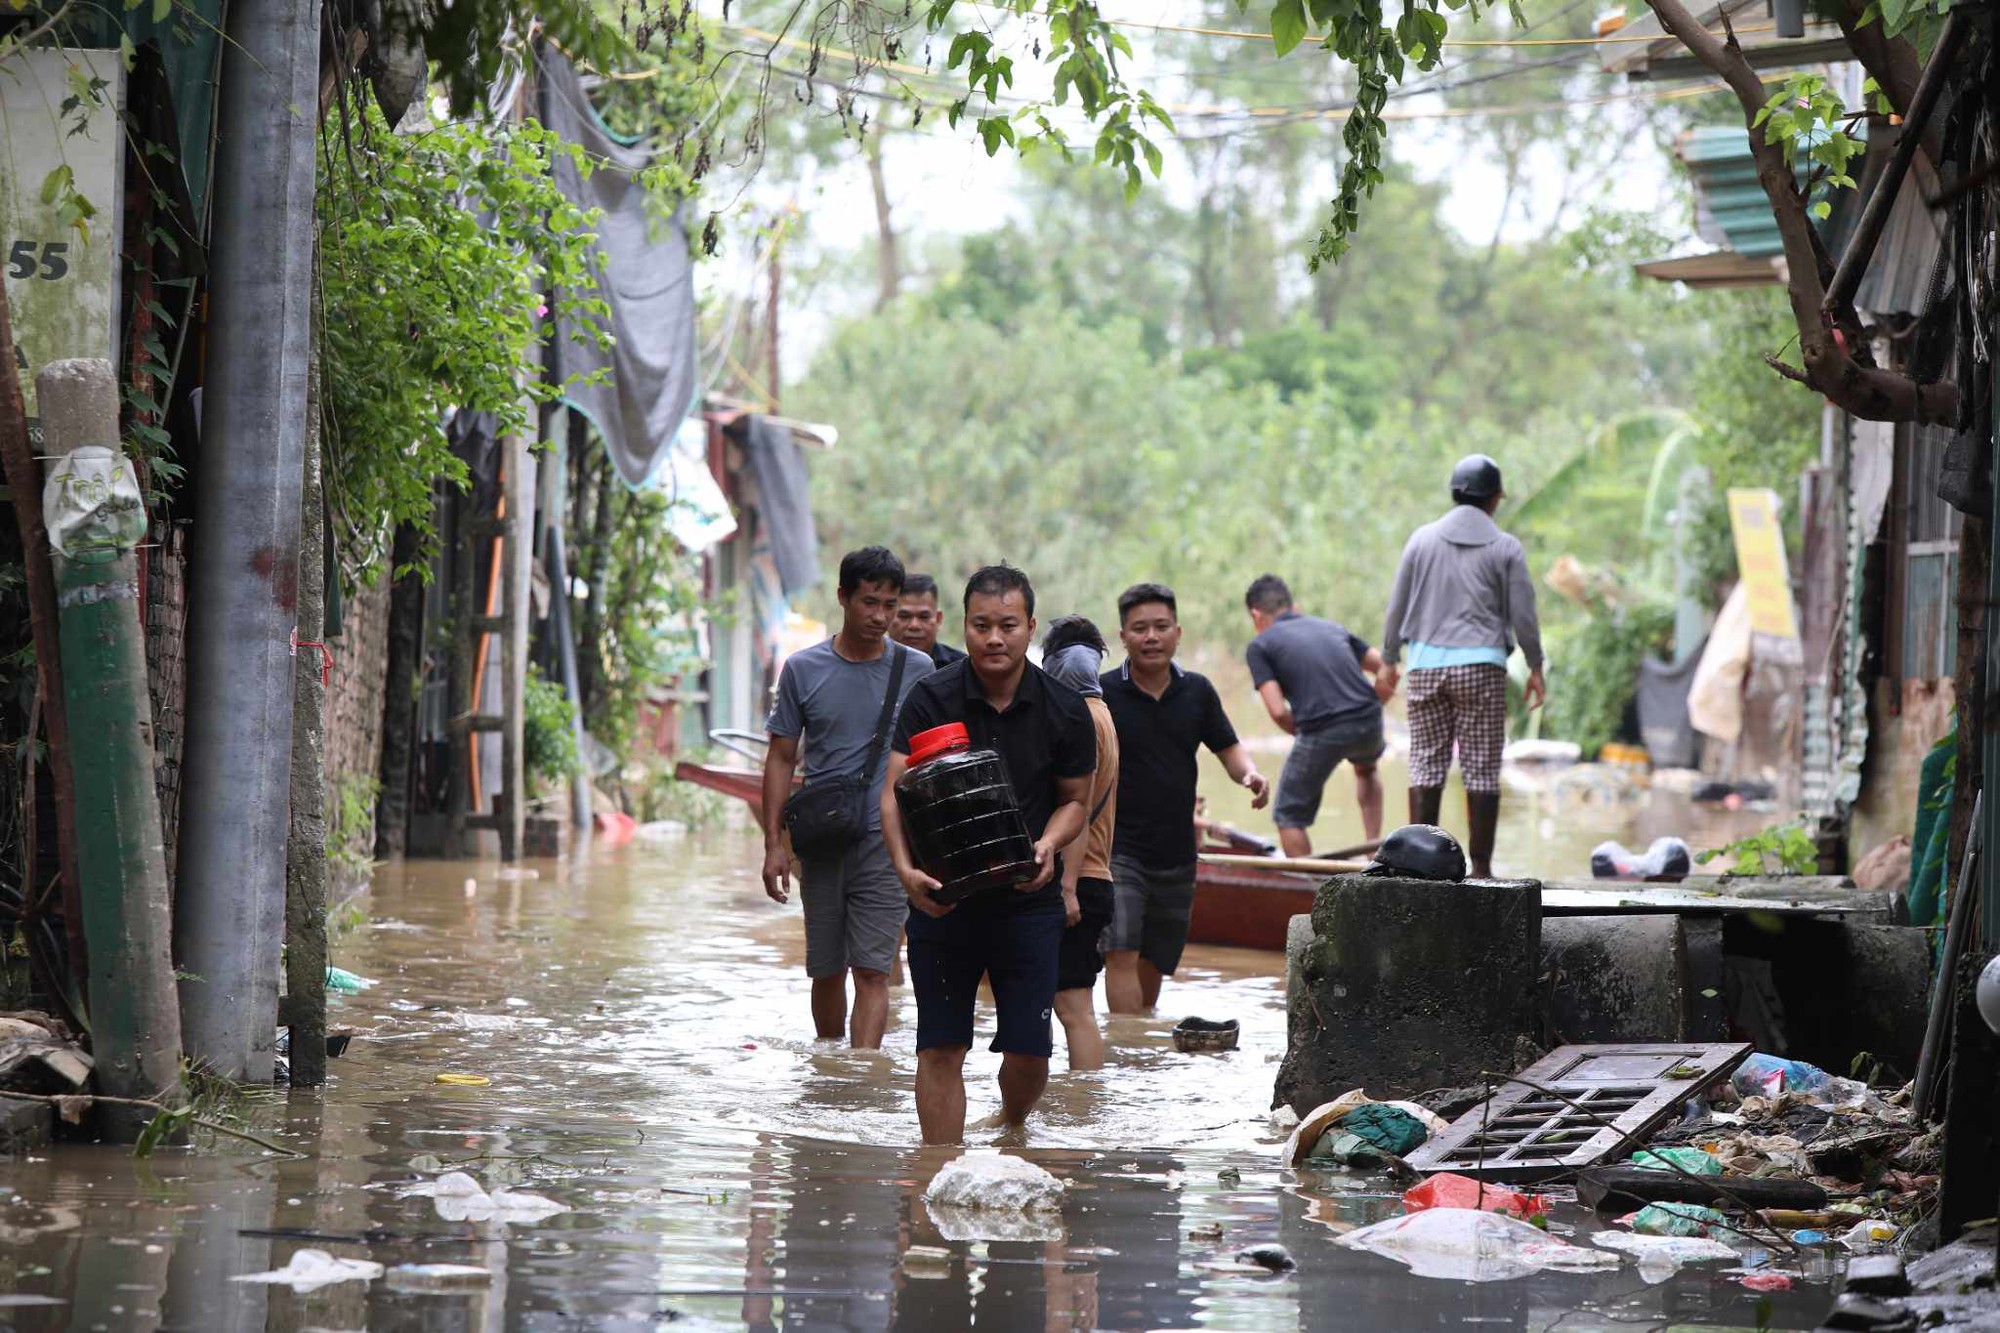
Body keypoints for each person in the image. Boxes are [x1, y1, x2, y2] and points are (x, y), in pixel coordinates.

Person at [880, 565, 1095, 1144]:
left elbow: (1077, 801)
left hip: (1028, 900)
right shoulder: (932, 696)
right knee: (940, 1045)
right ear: (965, 626)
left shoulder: (1064, 708)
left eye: (1007, 625)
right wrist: (905, 872)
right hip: (944, 900)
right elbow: (893, 791)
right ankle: (939, 1170)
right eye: (981, 625)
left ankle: (1012, 1126)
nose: (993, 639)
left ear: (1030, 627)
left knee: (1029, 1052)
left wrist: (1049, 845)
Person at [761, 547, 934, 1049]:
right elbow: (780, 758)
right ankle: (830, 1072)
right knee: (826, 970)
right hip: (821, 838)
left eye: (890, 606)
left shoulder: (918, 670)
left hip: (887, 842)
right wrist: (774, 843)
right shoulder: (803, 669)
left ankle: (860, 1077)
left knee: (874, 972)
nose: (880, 617)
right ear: (843, 598)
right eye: (869, 602)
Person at [1099, 583, 1269, 1015]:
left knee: (1155, 959)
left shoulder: (1197, 692)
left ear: (1177, 632)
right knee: (1119, 951)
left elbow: (1229, 750)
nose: (1151, 637)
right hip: (1119, 848)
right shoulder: (1103, 695)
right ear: (1123, 637)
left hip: (1177, 851)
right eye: (1140, 629)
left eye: (1160, 627)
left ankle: (1138, 1044)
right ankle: (1122, 1052)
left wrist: (1250, 775)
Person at [1379, 453, 1546, 879]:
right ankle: (1483, 870)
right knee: (1482, 766)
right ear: (1495, 499)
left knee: (1426, 763)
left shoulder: (1421, 540)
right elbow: (1524, 616)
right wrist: (1536, 665)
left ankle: (1417, 867)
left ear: (1455, 493)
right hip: (1482, 669)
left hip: (1426, 669)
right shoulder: (1506, 548)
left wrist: (1389, 658)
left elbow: (1396, 605)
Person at [1243, 574, 1395, 854]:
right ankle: (1374, 854)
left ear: (1256, 615)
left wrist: (1308, 736)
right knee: (1367, 767)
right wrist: (1373, 706)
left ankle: (1309, 889)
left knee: (1288, 815)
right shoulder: (1332, 627)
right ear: (1293, 607)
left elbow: (1277, 711)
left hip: (1321, 728)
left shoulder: (1260, 645)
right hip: (1368, 721)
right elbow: (1387, 669)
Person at [1039, 614, 1118, 1071]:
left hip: (1077, 877)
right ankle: (1066, 1107)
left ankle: (1084, 1107)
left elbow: (1079, 809)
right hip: (1091, 876)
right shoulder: (1103, 713)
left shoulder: (1079, 719)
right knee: (1062, 1005)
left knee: (1073, 1008)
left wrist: (1067, 888)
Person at [892, 573, 965, 669]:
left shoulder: (960, 667)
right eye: (904, 616)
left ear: (938, 619)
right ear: (889, 617)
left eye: (924, 617)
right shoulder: (870, 662)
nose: (914, 626)